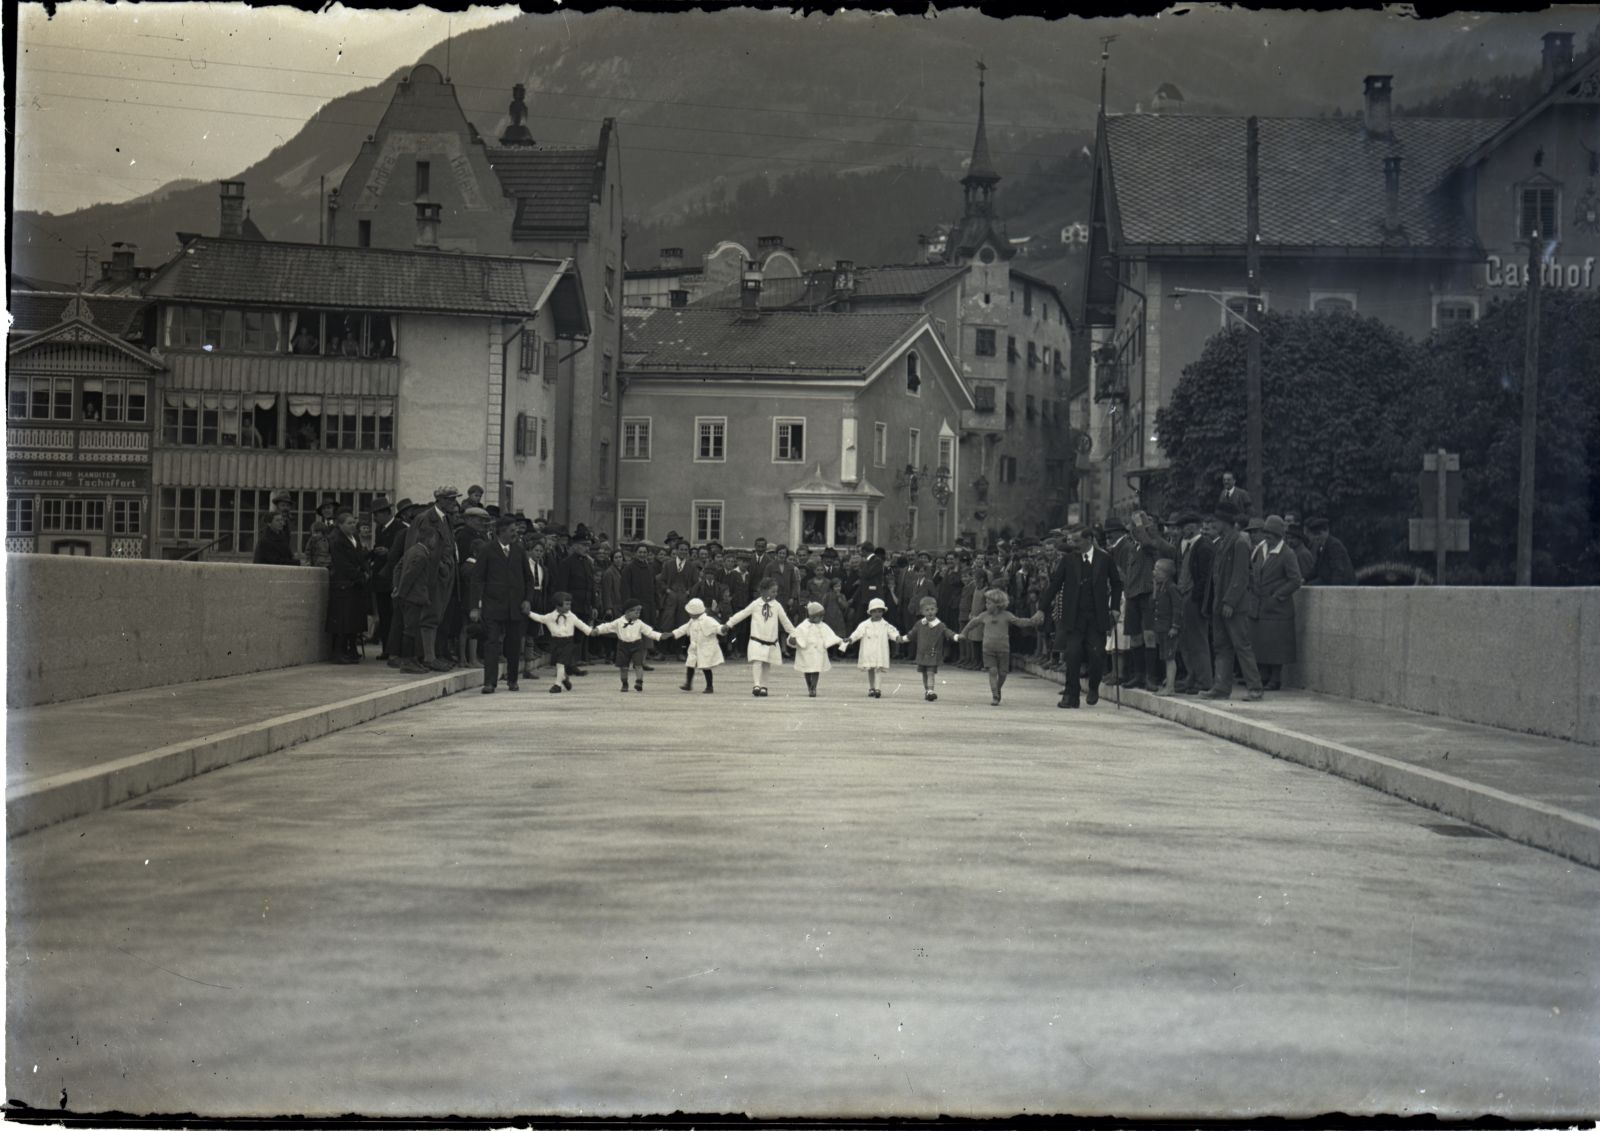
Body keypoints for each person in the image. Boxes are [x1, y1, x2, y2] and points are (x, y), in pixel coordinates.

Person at [1043, 523, 1122, 708]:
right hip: (1074, 617)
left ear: (1090, 540)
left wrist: (1115, 607)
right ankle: (1072, 696)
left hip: (1096, 616)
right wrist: (1042, 608)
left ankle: (1093, 686)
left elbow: (1117, 584)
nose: (1074, 544)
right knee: (1072, 655)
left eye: (1078, 541)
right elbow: (1055, 584)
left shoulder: (1105, 559)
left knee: (1096, 655)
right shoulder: (1069, 560)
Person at [394, 486, 461, 673]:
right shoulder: (425, 518)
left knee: (435, 617)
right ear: (439, 499)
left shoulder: (446, 519)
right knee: (426, 618)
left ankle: (429, 656)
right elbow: (414, 550)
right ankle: (426, 657)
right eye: (449, 499)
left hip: (443, 577)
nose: (453, 502)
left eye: (454, 499)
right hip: (430, 577)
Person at [1202, 502, 1263, 701]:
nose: (1214, 524)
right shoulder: (1224, 542)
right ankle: (1221, 686)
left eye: (1217, 521)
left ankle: (1255, 688)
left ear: (1225, 522)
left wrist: (1229, 601)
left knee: (1241, 645)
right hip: (1221, 604)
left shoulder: (1238, 543)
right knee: (1222, 645)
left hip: (1232, 606)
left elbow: (1240, 576)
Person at [469, 516, 536, 694]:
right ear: (501, 531)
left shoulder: (519, 551)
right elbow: (477, 579)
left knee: (513, 645)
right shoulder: (487, 550)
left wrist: (527, 600)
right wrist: (475, 606)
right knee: (491, 643)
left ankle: (512, 680)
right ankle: (490, 682)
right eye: (512, 530)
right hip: (493, 606)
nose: (516, 533)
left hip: (515, 608)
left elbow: (529, 579)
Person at [961, 589, 1044, 706]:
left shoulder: (1006, 615)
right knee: (993, 671)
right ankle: (995, 694)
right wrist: (964, 633)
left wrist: (1032, 621)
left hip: (1003, 649)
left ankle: (998, 688)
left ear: (998, 604)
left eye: (989, 603)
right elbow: (972, 624)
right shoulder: (984, 615)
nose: (986, 605)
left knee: (1003, 673)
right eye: (986, 602)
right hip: (988, 649)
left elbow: (1019, 622)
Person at [1249, 515, 1304, 691]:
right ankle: (1263, 676)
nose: (1268, 536)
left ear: (1280, 535)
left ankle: (1275, 679)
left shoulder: (1287, 554)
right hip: (1259, 606)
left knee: (1276, 645)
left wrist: (1278, 595)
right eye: (1266, 532)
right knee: (1261, 643)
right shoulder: (1260, 550)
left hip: (1277, 608)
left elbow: (1295, 580)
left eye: (1272, 534)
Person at [725, 577, 800, 697]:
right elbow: (743, 614)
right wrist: (729, 624)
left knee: (766, 663)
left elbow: (785, 621)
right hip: (756, 639)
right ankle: (756, 684)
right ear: (763, 591)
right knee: (757, 661)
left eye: (776, 592)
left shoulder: (777, 606)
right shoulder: (756, 604)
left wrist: (793, 633)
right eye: (772, 591)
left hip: (771, 640)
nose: (775, 594)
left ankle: (764, 686)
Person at [526, 590, 593, 693]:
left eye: (569, 604)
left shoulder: (571, 616)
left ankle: (557, 685)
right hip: (556, 642)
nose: (568, 607)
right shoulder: (550, 617)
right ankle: (564, 678)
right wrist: (529, 613)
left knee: (561, 663)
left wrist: (590, 631)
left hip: (568, 642)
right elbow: (540, 618)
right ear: (558, 605)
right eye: (566, 604)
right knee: (558, 664)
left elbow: (581, 624)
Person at [592, 601, 666, 693]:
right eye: (636, 612)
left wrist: (660, 636)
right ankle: (624, 683)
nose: (638, 614)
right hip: (623, 646)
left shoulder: (639, 623)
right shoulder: (618, 622)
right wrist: (598, 630)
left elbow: (649, 632)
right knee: (623, 667)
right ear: (627, 612)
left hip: (637, 645)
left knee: (638, 665)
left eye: (639, 612)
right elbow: (607, 626)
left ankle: (639, 682)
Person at [325, 511, 369, 663]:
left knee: (352, 619)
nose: (353, 526)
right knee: (342, 620)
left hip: (355, 584)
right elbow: (342, 564)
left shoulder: (354, 537)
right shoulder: (337, 540)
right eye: (349, 523)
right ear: (340, 524)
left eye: (353, 522)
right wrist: (359, 575)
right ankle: (338, 652)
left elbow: (360, 558)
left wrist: (365, 570)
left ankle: (350, 650)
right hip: (344, 584)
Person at [903, 595, 961, 702]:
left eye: (932, 609)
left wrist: (956, 637)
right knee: (924, 673)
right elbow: (912, 633)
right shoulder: (920, 623)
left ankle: (931, 690)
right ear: (922, 611)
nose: (930, 612)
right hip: (922, 653)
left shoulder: (940, 625)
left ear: (936, 610)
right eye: (927, 610)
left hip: (933, 653)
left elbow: (947, 632)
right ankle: (927, 690)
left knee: (930, 672)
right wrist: (903, 638)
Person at [845, 597, 902, 699]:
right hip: (869, 650)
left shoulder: (885, 625)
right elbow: (857, 633)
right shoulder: (864, 624)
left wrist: (897, 637)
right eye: (874, 611)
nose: (877, 614)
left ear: (883, 612)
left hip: (880, 650)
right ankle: (871, 688)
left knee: (878, 668)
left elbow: (892, 631)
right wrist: (851, 639)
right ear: (870, 612)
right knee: (870, 669)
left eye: (880, 611)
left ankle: (878, 689)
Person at [786, 601, 847, 698]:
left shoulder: (823, 625)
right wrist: (792, 640)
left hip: (818, 652)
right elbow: (794, 635)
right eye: (820, 616)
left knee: (816, 669)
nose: (822, 619)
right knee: (807, 670)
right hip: (806, 652)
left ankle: (813, 688)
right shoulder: (803, 626)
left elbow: (831, 635)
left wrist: (841, 641)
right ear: (813, 616)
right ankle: (809, 686)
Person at [666, 597, 725, 693]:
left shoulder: (708, 620)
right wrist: (673, 633)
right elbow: (684, 629)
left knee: (706, 667)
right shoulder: (692, 621)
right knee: (690, 664)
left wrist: (722, 629)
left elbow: (717, 627)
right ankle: (688, 684)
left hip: (705, 647)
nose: (688, 614)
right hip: (694, 647)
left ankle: (709, 686)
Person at [658, 540, 700, 657]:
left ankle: (679, 652)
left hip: (684, 600)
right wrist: (667, 590)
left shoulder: (691, 567)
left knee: (681, 625)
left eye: (686, 550)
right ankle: (662, 652)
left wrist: (688, 592)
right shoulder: (668, 565)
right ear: (676, 551)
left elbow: (696, 584)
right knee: (666, 624)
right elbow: (661, 581)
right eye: (681, 549)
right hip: (670, 600)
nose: (683, 552)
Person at [1150, 558, 1183, 695]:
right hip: (1161, 627)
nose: (1154, 572)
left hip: (1169, 628)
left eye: (1157, 569)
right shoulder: (1160, 587)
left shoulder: (1171, 587)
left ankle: (1170, 687)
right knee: (1165, 656)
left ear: (1166, 573)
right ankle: (1168, 682)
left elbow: (1177, 607)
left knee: (1170, 657)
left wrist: (1175, 626)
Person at [1304, 517, 1356, 585]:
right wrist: (1305, 579)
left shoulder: (1334, 545)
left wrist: (1333, 590)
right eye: (1315, 534)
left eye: (1319, 533)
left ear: (1327, 531)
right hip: (1327, 581)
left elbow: (1338, 570)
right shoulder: (1321, 547)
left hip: (1343, 585)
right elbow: (1316, 569)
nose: (1317, 537)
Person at [304, 498, 339, 568]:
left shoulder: (338, 526)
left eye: (329, 508)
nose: (326, 510)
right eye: (324, 509)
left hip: (335, 563)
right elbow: (310, 545)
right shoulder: (316, 526)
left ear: (334, 510)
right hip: (319, 563)